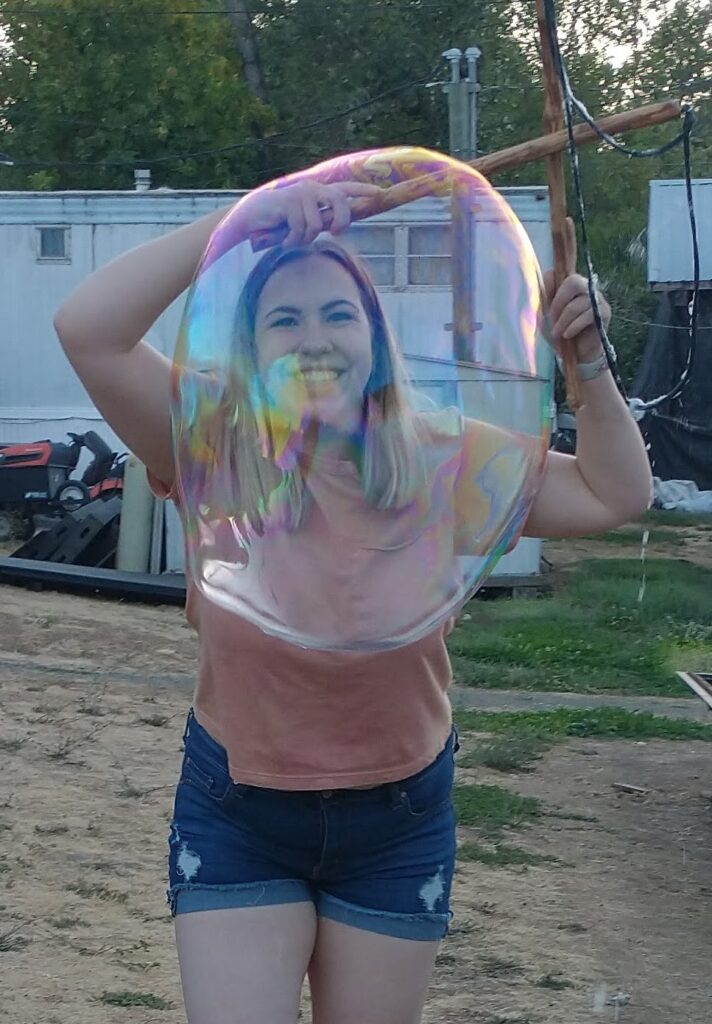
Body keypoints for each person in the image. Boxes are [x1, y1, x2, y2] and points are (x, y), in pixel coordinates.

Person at [55, 178, 652, 1024]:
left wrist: (587, 366)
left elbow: (612, 494)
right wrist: (244, 220)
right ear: (252, 348)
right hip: (240, 807)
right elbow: (88, 328)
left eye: (338, 315)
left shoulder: (438, 457)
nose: (314, 339)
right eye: (284, 320)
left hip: (398, 813)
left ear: (372, 334)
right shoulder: (214, 444)